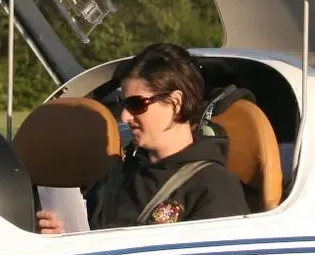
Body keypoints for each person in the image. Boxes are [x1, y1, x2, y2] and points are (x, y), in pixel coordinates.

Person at [37, 42, 249, 234]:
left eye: (137, 105)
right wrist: (63, 237)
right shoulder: (119, 174)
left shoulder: (215, 188)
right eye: (125, 104)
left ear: (175, 103)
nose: (126, 117)